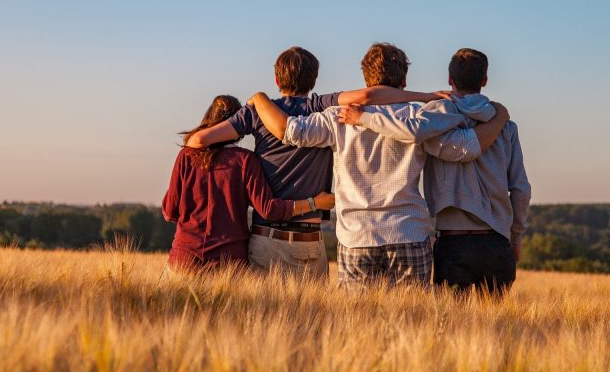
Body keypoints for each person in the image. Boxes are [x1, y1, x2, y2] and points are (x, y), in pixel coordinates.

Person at [246, 43, 510, 289]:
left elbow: (290, 131)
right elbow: (465, 148)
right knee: (411, 324)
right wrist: (499, 118)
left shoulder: (337, 117)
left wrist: (259, 99)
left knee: (357, 325)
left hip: (357, 236)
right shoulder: (419, 117)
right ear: (404, 80)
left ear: (366, 79)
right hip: (409, 232)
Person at [185, 46, 449, 277]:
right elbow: (368, 97)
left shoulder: (257, 112)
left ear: (277, 78)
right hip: (310, 239)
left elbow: (197, 142)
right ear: (314, 80)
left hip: (266, 237)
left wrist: (242, 147)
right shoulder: (320, 106)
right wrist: (425, 97)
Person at [340, 48, 531, 295]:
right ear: (484, 80)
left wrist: (364, 118)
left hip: (453, 242)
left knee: (451, 328)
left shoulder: (434, 118)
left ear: (450, 80)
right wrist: (516, 237)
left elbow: (411, 131)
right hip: (497, 242)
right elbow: (520, 189)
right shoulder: (506, 126)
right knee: (496, 329)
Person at [162, 95, 335, 273]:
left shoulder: (186, 156)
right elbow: (268, 209)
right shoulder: (245, 160)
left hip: (184, 259)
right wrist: (314, 203)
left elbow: (169, 212)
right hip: (229, 263)